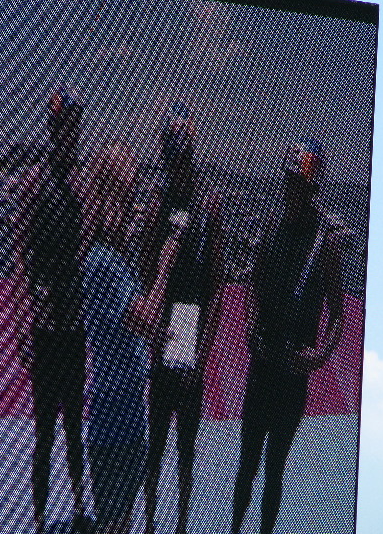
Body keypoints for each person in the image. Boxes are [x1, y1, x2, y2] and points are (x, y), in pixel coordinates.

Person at [230, 140, 346, 534]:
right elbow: (252, 289)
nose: (290, 193)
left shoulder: (325, 241)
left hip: (293, 376)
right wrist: (249, 331)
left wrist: (320, 356)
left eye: (298, 186)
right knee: (246, 464)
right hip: (263, 367)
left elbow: (338, 313)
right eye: (288, 185)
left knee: (275, 467)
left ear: (311, 191)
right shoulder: (271, 230)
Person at [79, 144, 184, 534]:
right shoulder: (103, 260)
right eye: (128, 196)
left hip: (127, 411)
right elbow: (146, 315)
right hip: (114, 421)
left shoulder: (117, 259)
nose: (135, 209)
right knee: (115, 522)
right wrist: (167, 259)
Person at [142, 104, 225, 534]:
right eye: (171, 158)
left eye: (182, 157)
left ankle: (180, 523)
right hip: (167, 327)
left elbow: (214, 289)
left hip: (187, 325)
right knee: (156, 444)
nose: (177, 167)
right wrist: (156, 340)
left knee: (186, 446)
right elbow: (145, 276)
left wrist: (200, 352)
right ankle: (156, 521)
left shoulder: (206, 206)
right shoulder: (159, 207)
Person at [23, 91, 89, 534]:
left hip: (69, 328)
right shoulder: (39, 184)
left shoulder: (79, 188)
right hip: (50, 328)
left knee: (71, 431)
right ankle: (42, 515)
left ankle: (79, 505)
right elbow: (26, 258)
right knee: (48, 430)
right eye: (64, 131)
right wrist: (35, 310)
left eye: (73, 131)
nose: (70, 138)